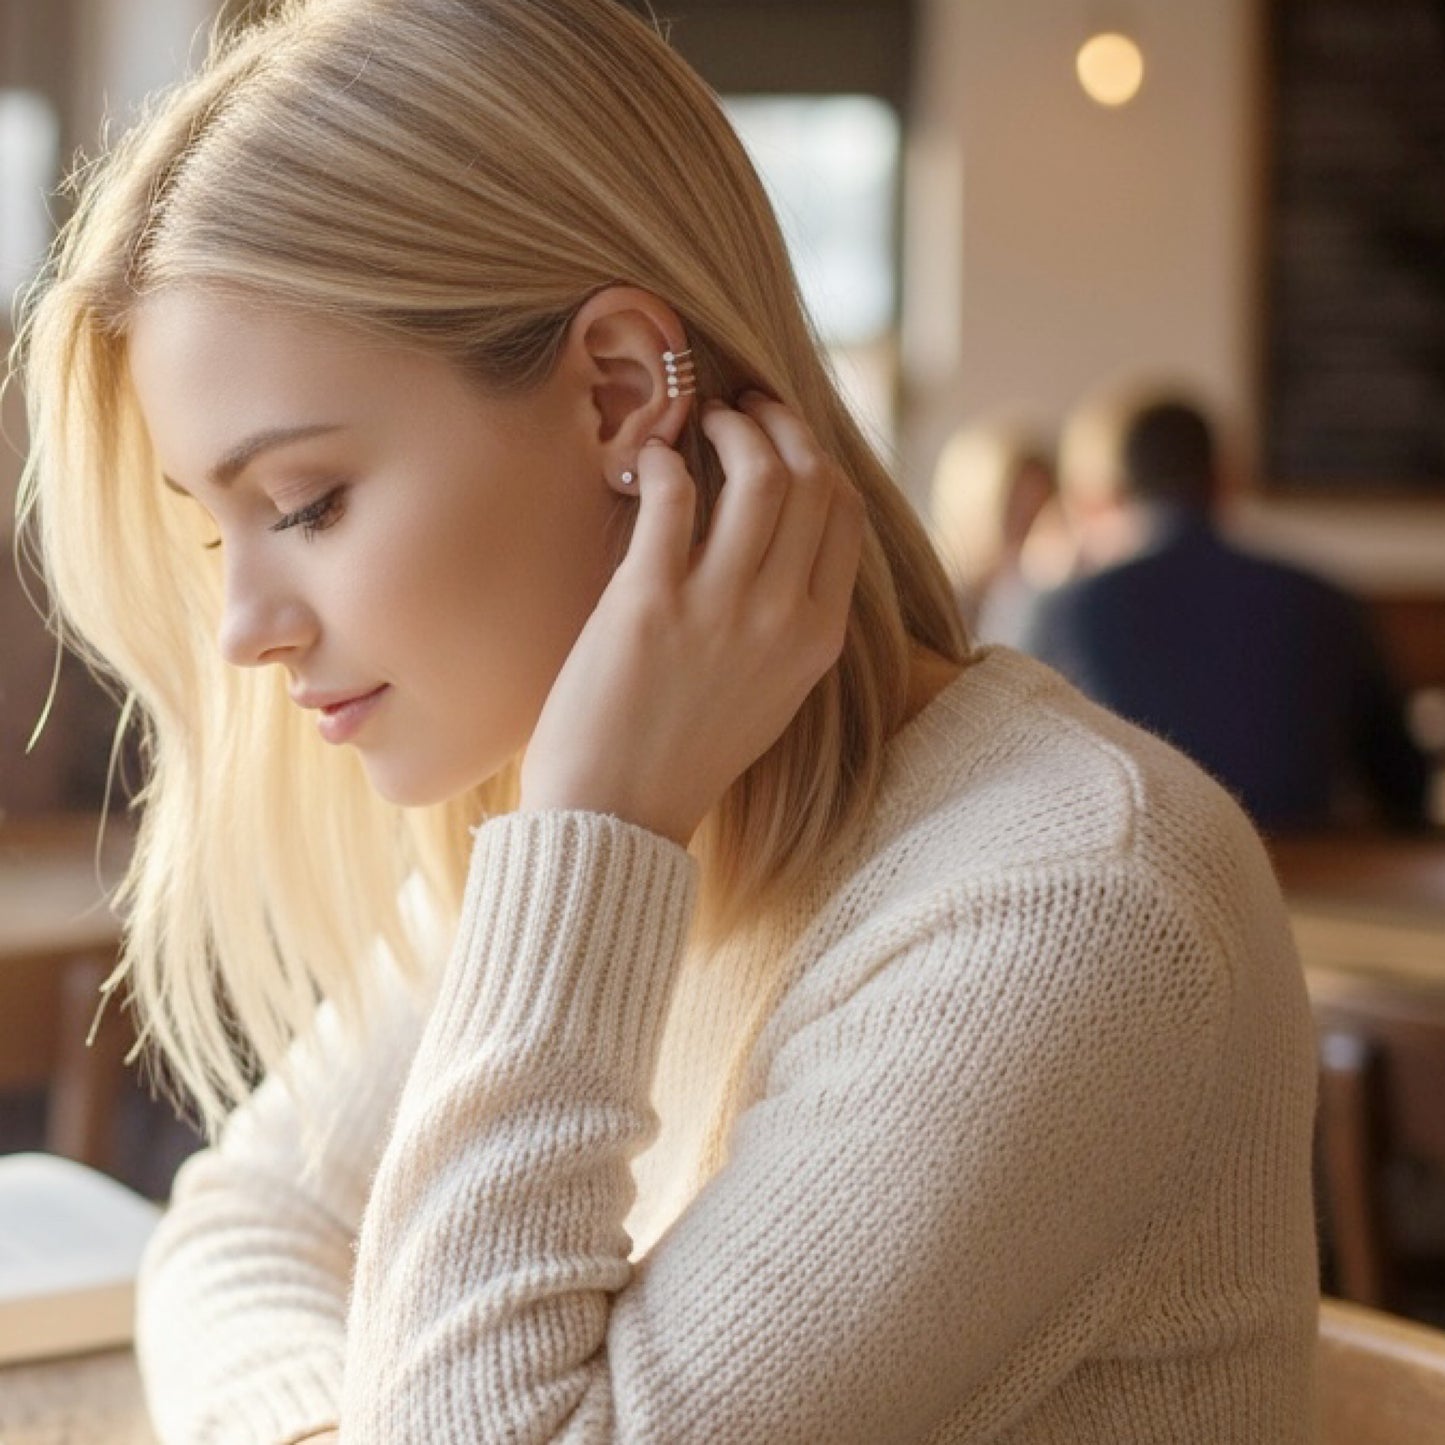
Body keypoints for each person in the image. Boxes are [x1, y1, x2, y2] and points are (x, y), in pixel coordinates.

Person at [16, 2, 1319, 1440]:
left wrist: (592, 833)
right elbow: (240, 1227)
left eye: (308, 505)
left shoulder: (1064, 907)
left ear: (621, 394)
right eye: (220, 535)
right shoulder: (543, 826)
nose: (244, 630)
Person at [1022, 392, 1431, 834]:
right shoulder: (1327, 600)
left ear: (1100, 497)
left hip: (1143, 883)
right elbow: (1404, 787)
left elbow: (1022, 784)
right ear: (1224, 479)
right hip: (1310, 888)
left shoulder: (1066, 611)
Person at [926, 420, 1068, 647]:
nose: (1028, 524)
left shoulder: (1053, 588)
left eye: (1040, 505)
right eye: (1016, 507)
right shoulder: (940, 604)